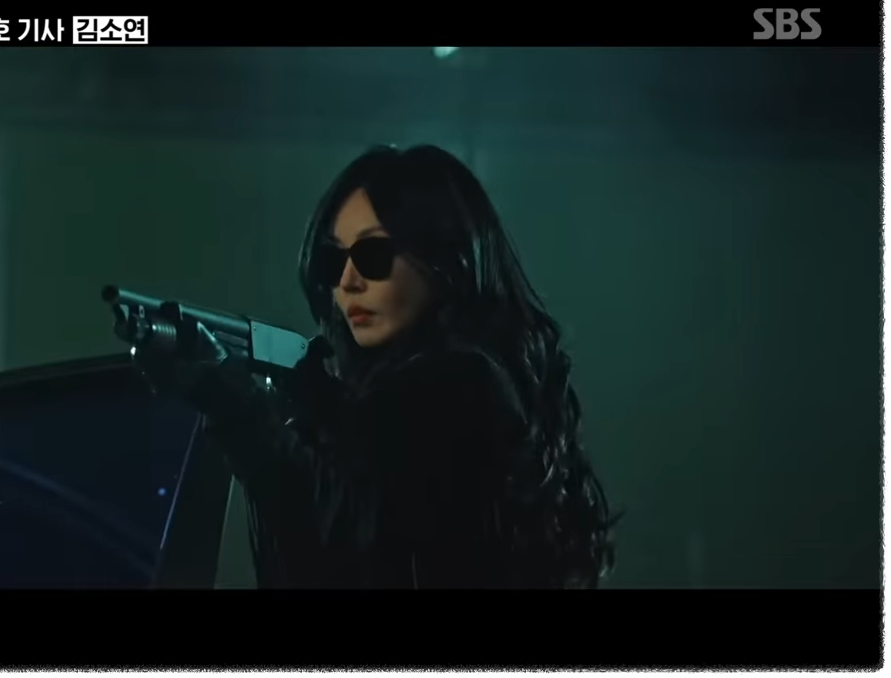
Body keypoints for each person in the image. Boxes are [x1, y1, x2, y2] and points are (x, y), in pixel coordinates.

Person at [138, 144, 617, 588]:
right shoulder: (449, 388)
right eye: (334, 259)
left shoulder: (461, 382)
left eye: (373, 254)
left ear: (443, 258)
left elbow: (348, 548)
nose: (348, 281)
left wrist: (239, 407)